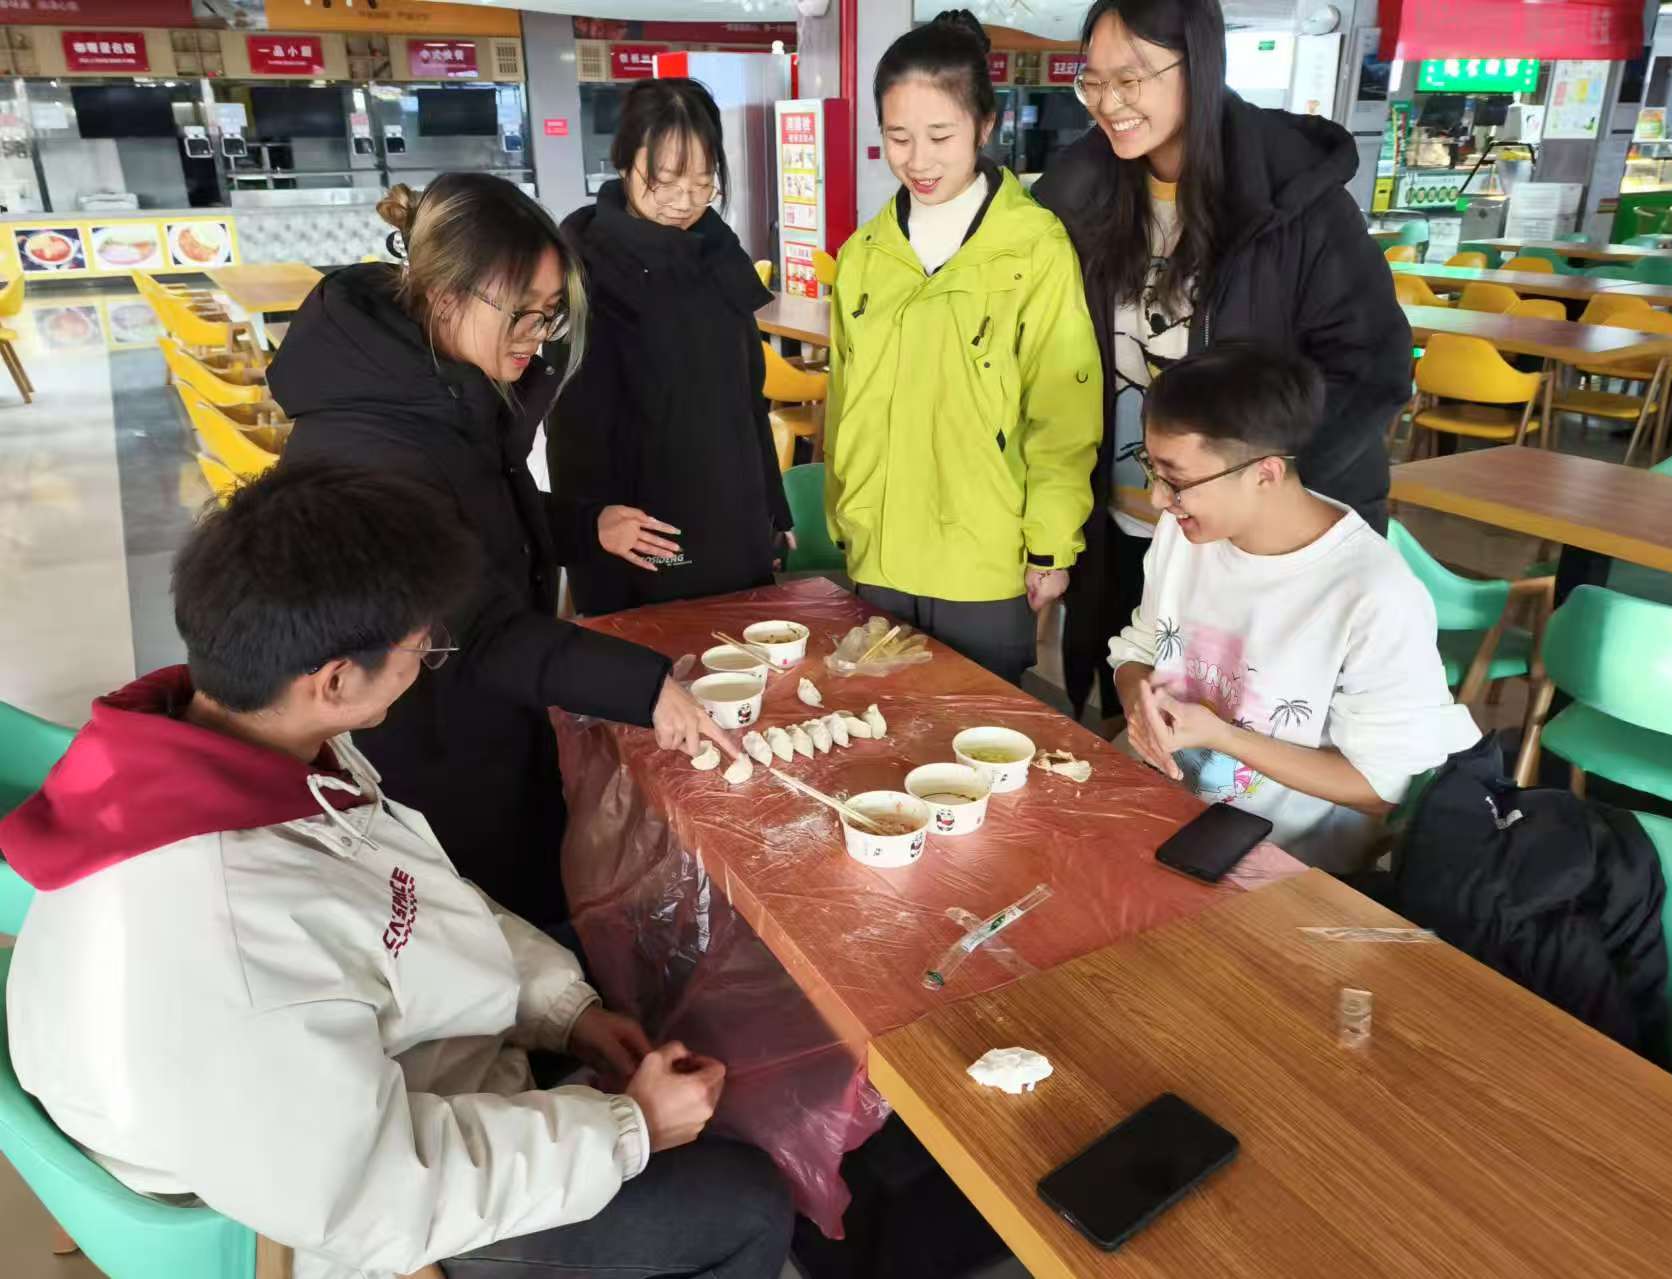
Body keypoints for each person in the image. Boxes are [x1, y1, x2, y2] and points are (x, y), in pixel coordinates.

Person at [1, 463, 793, 1279]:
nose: (428, 661)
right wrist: (628, 1129)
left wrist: (567, 1011)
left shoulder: (242, 749)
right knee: (747, 1204)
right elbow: (373, 1199)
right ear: (335, 679)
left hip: (361, 1090)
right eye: (424, 647)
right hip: (349, 1210)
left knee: (641, 977)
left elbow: (407, 901)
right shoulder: (228, 933)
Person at [269, 174, 738, 929]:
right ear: (445, 294)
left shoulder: (439, 387)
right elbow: (475, 633)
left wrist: (584, 526)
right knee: (489, 923)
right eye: (521, 313)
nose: (536, 336)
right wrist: (647, 687)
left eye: (549, 314)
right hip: (430, 742)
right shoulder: (374, 443)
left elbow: (472, 520)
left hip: (484, 713)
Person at [1032, 0, 1412, 726]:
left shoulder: (1292, 199)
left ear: (1199, 65)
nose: (1109, 103)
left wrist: (1257, 494)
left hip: (1260, 548)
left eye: (1132, 78)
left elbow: (1372, 365)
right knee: (1135, 716)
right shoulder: (1079, 198)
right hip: (1127, 524)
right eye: (1093, 81)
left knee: (1253, 745)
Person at [1109, 345, 1479, 873]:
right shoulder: (1184, 533)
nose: (1157, 500)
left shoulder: (1372, 593)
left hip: (1284, 862)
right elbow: (1139, 651)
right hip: (1168, 814)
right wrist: (1141, 708)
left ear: (1265, 473)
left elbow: (1384, 788)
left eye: (1177, 480)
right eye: (1152, 468)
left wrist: (1222, 737)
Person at [824, 10, 1101, 686]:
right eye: (898, 137)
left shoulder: (1033, 247)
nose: (918, 160)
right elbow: (842, 402)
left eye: (940, 136)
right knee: (881, 733)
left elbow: (1062, 412)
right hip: (881, 551)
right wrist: (844, 519)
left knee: (976, 734)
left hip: (983, 559)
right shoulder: (864, 255)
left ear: (984, 126)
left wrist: (1051, 544)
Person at [549, 79, 793, 617]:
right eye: (664, 183)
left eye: (703, 183)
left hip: (732, 507)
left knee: (742, 646)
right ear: (623, 162)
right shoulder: (586, 266)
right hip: (646, 522)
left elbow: (746, 398)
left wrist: (774, 510)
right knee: (661, 652)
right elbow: (574, 435)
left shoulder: (717, 253)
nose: (684, 203)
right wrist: (589, 535)